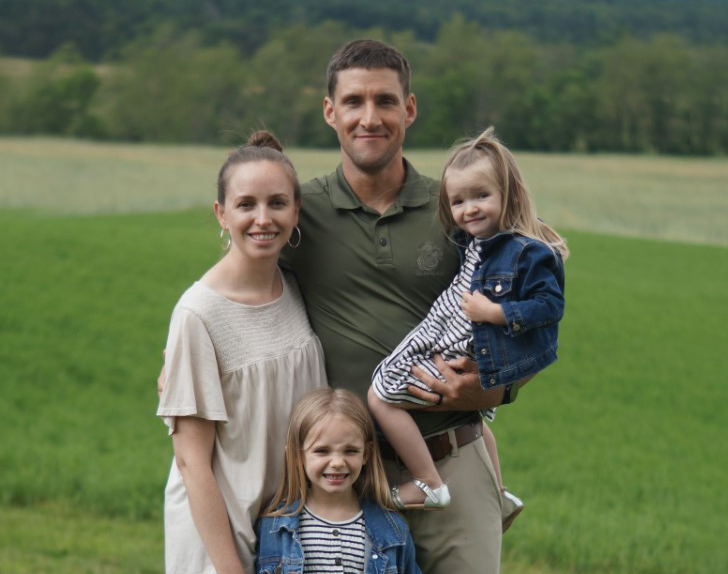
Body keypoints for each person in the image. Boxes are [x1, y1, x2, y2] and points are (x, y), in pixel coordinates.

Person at [280, 39, 519, 574]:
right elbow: (244, 285)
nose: (371, 117)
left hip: (453, 465)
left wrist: (491, 386)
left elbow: (522, 321)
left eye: (386, 101)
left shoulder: (457, 208)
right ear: (330, 112)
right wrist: (188, 346)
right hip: (347, 479)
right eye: (354, 102)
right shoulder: (301, 212)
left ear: (409, 109)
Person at [368, 127, 568, 529]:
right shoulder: (478, 240)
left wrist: (494, 313)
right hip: (456, 334)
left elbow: (550, 306)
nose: (469, 209)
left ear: (508, 194)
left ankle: (428, 483)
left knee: (381, 395)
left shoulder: (526, 250)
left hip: (467, 343)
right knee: (472, 418)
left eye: (481, 196)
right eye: (458, 201)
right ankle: (499, 493)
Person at [156, 131, 327, 574]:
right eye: (246, 204)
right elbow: (191, 461)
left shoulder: (295, 289)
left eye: (277, 203)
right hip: (221, 538)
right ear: (221, 213)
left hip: (287, 533)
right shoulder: (199, 314)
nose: (263, 218)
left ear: (296, 211)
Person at [255, 388, 422, 574]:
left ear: (365, 454)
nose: (337, 463)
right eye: (322, 451)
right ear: (297, 455)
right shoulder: (275, 525)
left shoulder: (393, 528)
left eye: (350, 451)